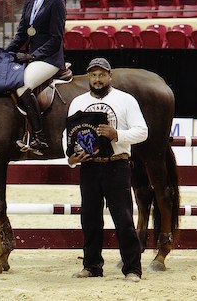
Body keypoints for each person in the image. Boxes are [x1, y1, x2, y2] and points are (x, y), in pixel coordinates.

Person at [63, 57, 148, 282]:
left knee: (124, 219)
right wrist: (70, 157)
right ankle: (91, 266)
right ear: (88, 77)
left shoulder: (126, 100)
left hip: (117, 165)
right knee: (89, 219)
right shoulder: (77, 102)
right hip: (89, 167)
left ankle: (132, 268)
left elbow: (143, 132)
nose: (97, 79)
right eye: (93, 75)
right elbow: (68, 135)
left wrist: (117, 134)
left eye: (102, 75)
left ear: (110, 76)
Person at [6, 0, 66, 156]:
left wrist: (32, 56)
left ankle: (39, 137)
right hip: (33, 56)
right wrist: (7, 52)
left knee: (21, 85)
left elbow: (56, 39)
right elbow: (23, 32)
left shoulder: (58, 0)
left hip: (49, 58)